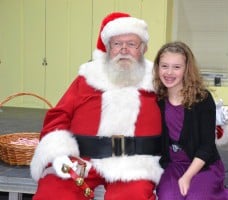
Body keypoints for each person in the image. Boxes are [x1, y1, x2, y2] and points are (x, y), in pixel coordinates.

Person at [30, 12, 163, 200]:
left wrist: (212, 121)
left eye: (131, 44)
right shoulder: (88, 78)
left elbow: (184, 112)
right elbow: (59, 115)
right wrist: (58, 153)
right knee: (53, 193)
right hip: (83, 160)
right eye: (117, 44)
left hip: (135, 164)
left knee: (131, 197)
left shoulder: (157, 80)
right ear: (108, 48)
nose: (124, 49)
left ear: (143, 48)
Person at [152, 41, 228, 200]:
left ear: (187, 69)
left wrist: (187, 177)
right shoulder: (156, 99)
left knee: (195, 197)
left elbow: (207, 147)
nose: (169, 72)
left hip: (203, 166)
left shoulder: (202, 98)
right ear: (157, 67)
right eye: (164, 66)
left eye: (177, 67)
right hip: (172, 166)